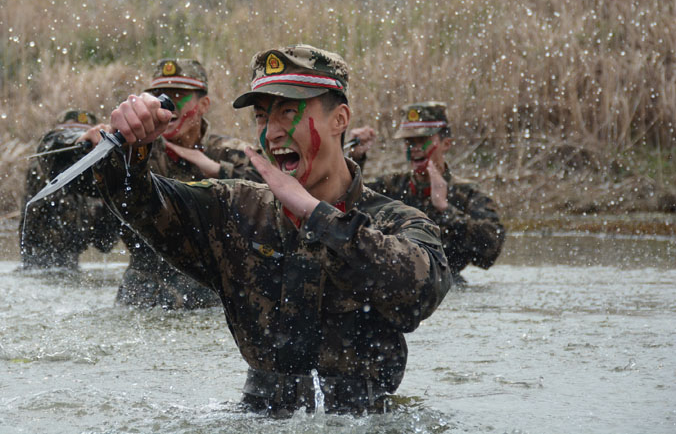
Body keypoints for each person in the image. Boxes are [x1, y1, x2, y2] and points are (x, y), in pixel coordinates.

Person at [92, 45, 450, 415]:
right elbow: (141, 203)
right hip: (258, 416)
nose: (272, 133)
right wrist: (131, 149)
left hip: (365, 419)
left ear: (340, 119)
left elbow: (419, 291)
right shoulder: (236, 210)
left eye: (289, 112)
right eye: (262, 117)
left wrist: (317, 216)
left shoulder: (395, 221)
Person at [79, 58, 261, 309]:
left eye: (179, 96)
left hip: (209, 293)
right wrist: (95, 152)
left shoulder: (232, 153)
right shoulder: (135, 149)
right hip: (141, 292)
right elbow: (87, 190)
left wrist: (215, 168)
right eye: (160, 96)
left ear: (204, 104)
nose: (168, 106)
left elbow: (270, 196)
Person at [362, 102, 506, 284]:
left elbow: (491, 248)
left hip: (449, 284)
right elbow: (347, 201)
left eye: (423, 141)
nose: (415, 148)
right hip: (395, 282)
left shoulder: (466, 193)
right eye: (410, 142)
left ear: (446, 144)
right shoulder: (392, 187)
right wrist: (356, 156)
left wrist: (445, 208)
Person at [19, 109, 119, 268]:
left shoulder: (94, 176)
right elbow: (51, 144)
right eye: (70, 132)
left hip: (72, 264)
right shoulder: (43, 165)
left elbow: (105, 243)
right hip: (37, 263)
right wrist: (78, 141)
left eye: (84, 132)